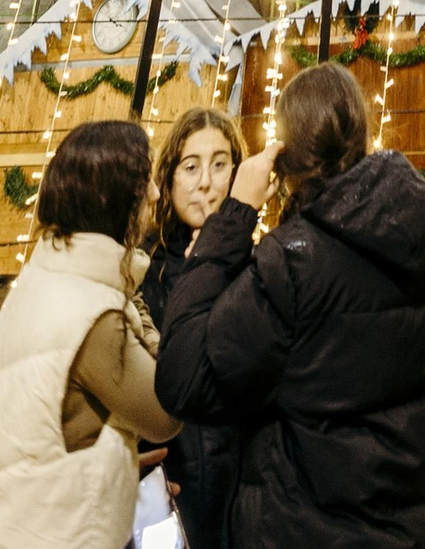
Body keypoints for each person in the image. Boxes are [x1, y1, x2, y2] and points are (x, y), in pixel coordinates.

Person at [156, 62, 425, 549]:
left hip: (300, 529)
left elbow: (182, 379)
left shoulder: (290, 262)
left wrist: (234, 218)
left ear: (283, 159)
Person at [0, 117, 180, 549]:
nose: (157, 194)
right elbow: (166, 410)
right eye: (146, 184)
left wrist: (112, 461)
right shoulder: (93, 316)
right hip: (37, 530)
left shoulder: (51, 272)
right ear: (116, 200)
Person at [140, 107, 242, 549]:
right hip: (170, 477)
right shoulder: (144, 269)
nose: (205, 182)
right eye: (191, 166)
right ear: (169, 177)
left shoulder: (259, 264)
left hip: (240, 477)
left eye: (220, 164)